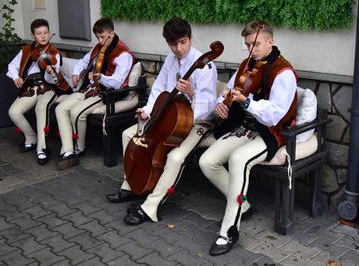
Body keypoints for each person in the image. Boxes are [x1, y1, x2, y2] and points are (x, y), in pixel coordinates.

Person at [106, 17, 218, 226]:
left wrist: (192, 93)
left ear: (191, 39)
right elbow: (159, 89)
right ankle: (130, 185)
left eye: (183, 42)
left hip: (198, 122)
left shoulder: (205, 65)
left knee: (175, 157)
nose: (178, 48)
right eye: (173, 44)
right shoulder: (170, 59)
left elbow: (210, 107)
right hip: (170, 114)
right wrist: (148, 111)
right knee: (128, 134)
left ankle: (151, 206)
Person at [199, 20, 298, 256]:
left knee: (238, 159)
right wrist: (222, 103)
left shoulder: (284, 73)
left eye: (256, 44)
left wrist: (248, 102)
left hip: (270, 132)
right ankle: (243, 205)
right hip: (246, 126)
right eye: (247, 45)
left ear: (270, 42)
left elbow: (275, 114)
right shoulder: (247, 64)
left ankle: (228, 231)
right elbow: (229, 91)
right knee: (206, 161)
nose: (251, 50)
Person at [55, 18, 134, 170]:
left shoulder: (123, 54)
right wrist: (76, 73)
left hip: (106, 93)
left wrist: (101, 77)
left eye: (103, 37)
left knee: (76, 112)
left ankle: (80, 148)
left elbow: (117, 82)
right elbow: (83, 62)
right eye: (98, 37)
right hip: (91, 89)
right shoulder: (98, 47)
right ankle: (68, 151)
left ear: (112, 34)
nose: (100, 41)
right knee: (60, 109)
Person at [7, 18, 72, 165]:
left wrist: (50, 71)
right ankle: (31, 138)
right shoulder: (26, 50)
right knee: (13, 112)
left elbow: (53, 79)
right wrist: (16, 77)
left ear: (49, 33)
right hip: (31, 88)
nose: (43, 36)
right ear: (33, 35)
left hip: (49, 88)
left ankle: (42, 149)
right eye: (39, 33)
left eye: (45, 33)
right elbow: (12, 66)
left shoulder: (54, 53)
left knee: (40, 108)